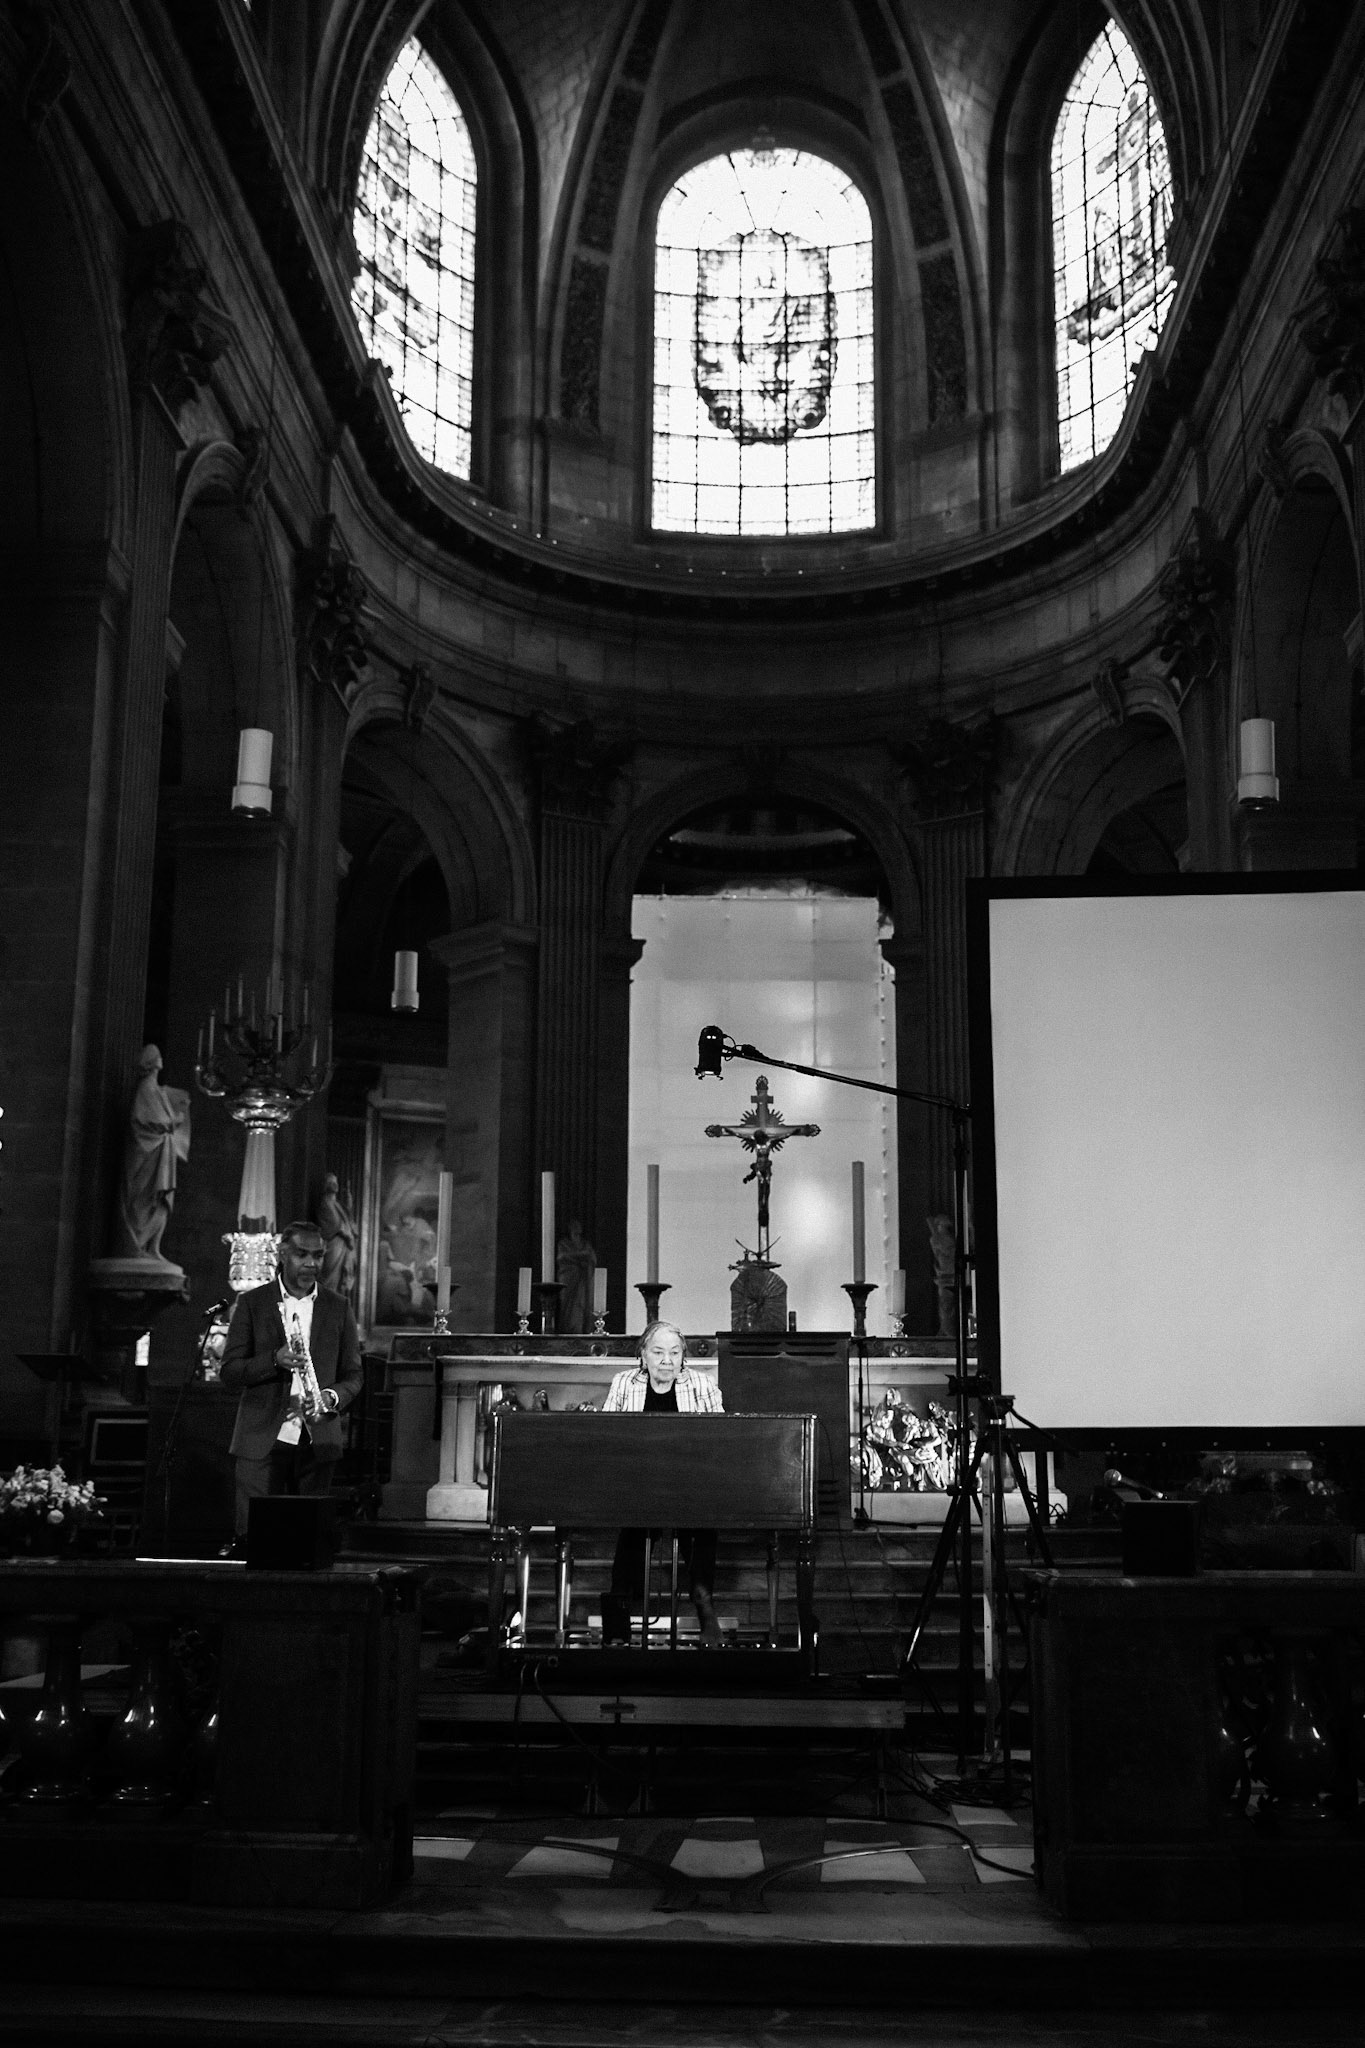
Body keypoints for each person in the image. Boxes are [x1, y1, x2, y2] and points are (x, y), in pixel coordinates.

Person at [220, 1219, 364, 1542]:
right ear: (282, 1254)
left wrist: (331, 1397)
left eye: (318, 1255)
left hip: (317, 1440)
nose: (311, 1263)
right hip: (260, 1438)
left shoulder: (339, 1307)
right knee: (254, 1539)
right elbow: (229, 1371)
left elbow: (354, 1375)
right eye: (302, 1254)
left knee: (308, 1543)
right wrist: (274, 1360)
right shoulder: (252, 1303)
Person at [601, 1320, 724, 1646]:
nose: (667, 1360)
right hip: (639, 1482)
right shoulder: (624, 1382)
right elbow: (605, 1433)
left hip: (690, 1482)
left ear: (683, 1356)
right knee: (632, 1530)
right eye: (658, 1352)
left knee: (703, 1524)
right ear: (643, 1355)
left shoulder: (702, 1384)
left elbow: (722, 1437)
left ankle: (704, 1605)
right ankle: (619, 1620)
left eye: (674, 1352)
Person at [117, 1044, 191, 1262]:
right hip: (148, 1154)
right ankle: (137, 1245)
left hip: (161, 1153)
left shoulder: (157, 1091)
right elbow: (147, 1119)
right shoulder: (146, 1089)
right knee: (144, 1200)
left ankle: (153, 1248)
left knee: (161, 1201)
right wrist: (176, 1119)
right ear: (153, 1063)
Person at [316, 1172, 358, 1300]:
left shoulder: (337, 1204)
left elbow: (347, 1221)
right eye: (330, 1182)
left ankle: (335, 1304)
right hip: (334, 1246)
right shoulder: (325, 1203)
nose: (333, 1185)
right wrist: (346, 1234)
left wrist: (349, 1207)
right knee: (330, 1278)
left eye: (335, 1182)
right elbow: (332, 1224)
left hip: (342, 1247)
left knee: (340, 1280)